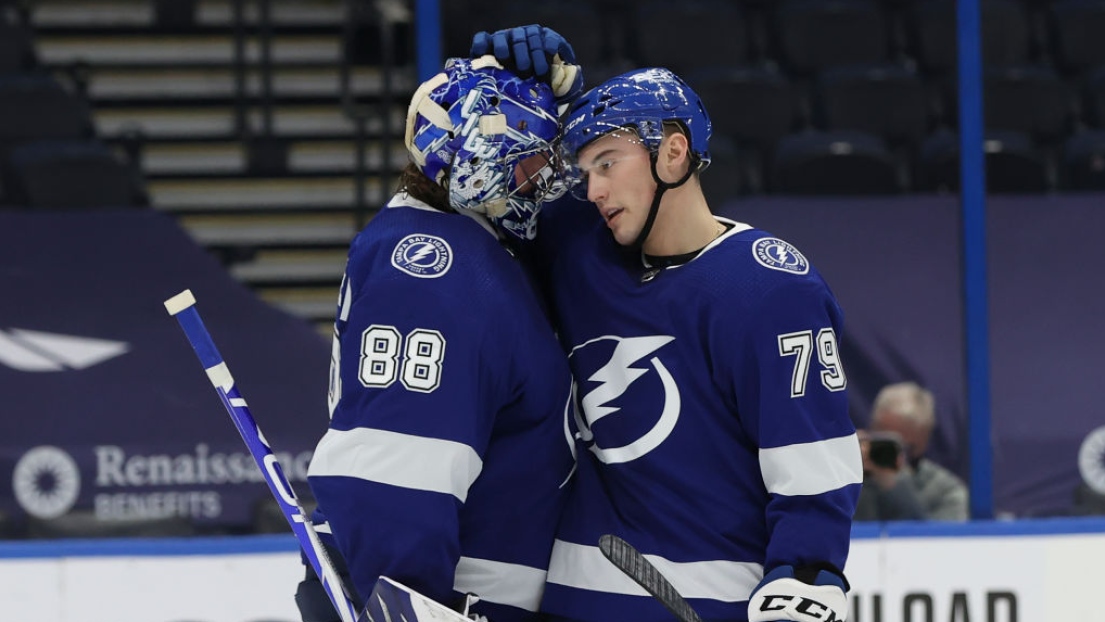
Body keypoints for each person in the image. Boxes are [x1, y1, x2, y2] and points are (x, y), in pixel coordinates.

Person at [471, 29, 864, 622]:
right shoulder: (581, 250)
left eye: (608, 162)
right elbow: (479, 185)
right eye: (585, 171)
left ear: (673, 153)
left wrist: (801, 588)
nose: (594, 190)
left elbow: (813, 476)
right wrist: (526, 92)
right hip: (568, 604)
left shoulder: (770, 288)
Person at [295, 55, 579, 622]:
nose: (546, 183)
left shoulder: (466, 247)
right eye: (528, 167)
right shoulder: (438, 268)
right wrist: (405, 607)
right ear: (476, 166)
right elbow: (394, 479)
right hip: (447, 600)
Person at [854, 381, 969, 522]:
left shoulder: (946, 492)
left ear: (925, 439)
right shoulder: (846, 476)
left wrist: (895, 486)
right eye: (886, 442)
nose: (893, 455)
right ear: (871, 428)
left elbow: (932, 541)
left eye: (905, 448)